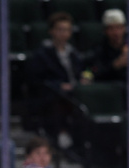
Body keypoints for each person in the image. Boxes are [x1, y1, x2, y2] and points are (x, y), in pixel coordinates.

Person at [25, 12, 90, 160]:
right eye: (60, 29)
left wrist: (84, 79)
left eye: (67, 29)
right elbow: (36, 80)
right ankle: (63, 140)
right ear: (51, 31)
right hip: (52, 97)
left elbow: (84, 71)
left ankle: (83, 146)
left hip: (75, 95)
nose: (64, 33)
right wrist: (60, 85)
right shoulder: (42, 54)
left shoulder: (74, 54)